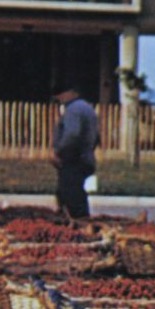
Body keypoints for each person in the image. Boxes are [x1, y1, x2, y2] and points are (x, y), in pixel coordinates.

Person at [51, 82, 100, 219]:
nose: (59, 100)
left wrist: (59, 152)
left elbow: (72, 135)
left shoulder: (74, 110)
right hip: (85, 157)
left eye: (60, 96)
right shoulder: (87, 108)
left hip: (73, 159)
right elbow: (96, 136)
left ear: (70, 93)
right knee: (76, 192)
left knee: (70, 195)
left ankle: (76, 224)